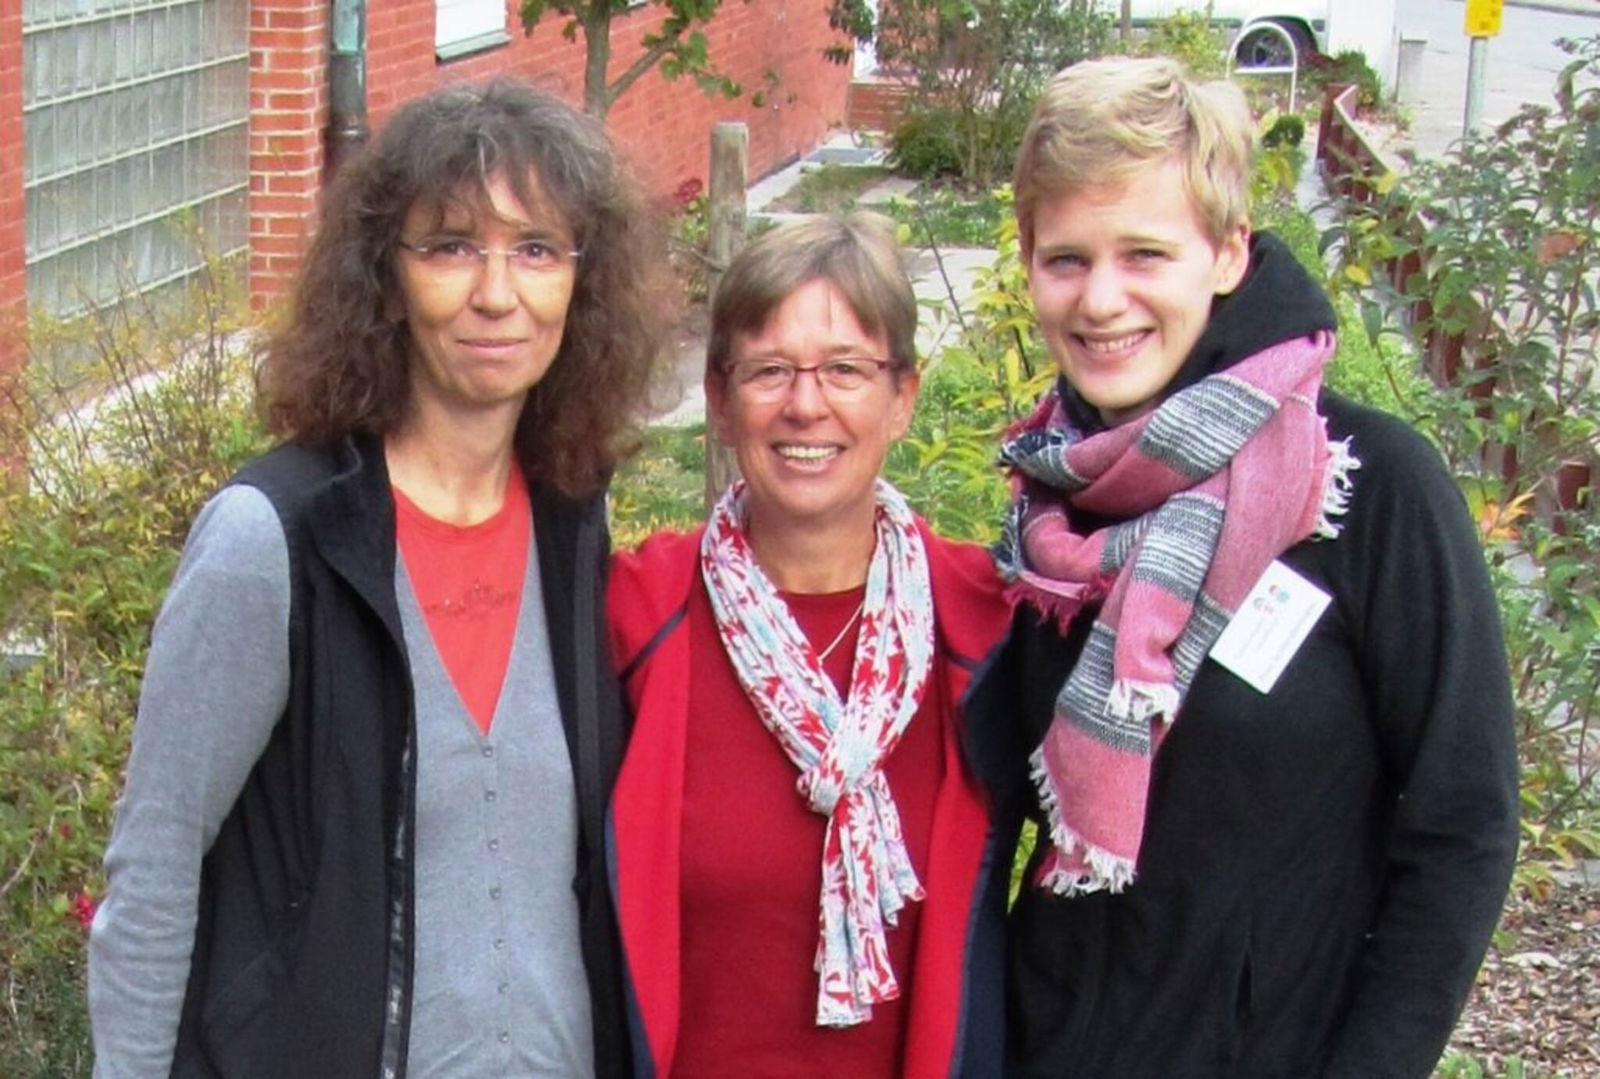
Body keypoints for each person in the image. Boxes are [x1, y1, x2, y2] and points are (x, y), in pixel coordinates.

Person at [87, 80, 670, 1079]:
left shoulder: (571, 521)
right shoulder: (274, 540)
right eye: (451, 246)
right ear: (386, 280)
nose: (498, 293)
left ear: (582, 282)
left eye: (537, 249)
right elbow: (155, 869)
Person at [991, 57, 1519, 1078]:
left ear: (1228, 251)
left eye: (1145, 253)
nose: (1102, 299)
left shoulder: (1365, 488)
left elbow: (1464, 824)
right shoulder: (1049, 509)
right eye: (1067, 258)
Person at [606, 213, 1017, 1078]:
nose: (805, 404)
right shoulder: (636, 618)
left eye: (845, 369)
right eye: (769, 370)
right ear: (719, 401)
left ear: (902, 397)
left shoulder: (983, 625)